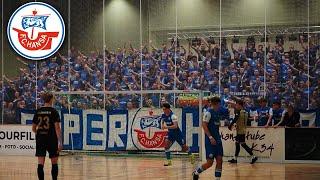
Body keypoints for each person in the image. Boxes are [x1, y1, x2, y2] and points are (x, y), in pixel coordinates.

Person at [32, 92, 62, 180]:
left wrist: (40, 133)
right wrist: (60, 142)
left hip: (41, 139)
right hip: (52, 139)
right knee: (54, 163)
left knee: (40, 163)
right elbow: (57, 128)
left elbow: (33, 128)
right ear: (51, 99)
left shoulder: (38, 111)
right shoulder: (54, 111)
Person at [192, 97, 224, 180]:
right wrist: (210, 137)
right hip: (210, 141)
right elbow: (204, 125)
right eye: (219, 104)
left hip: (218, 140)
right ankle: (196, 172)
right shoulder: (208, 113)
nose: (220, 106)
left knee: (220, 160)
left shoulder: (217, 113)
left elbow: (216, 125)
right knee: (210, 163)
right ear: (216, 104)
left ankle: (217, 179)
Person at [227, 99, 258, 164]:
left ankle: (253, 156)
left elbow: (235, 119)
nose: (236, 106)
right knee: (237, 143)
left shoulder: (238, 111)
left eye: (237, 104)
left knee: (243, 144)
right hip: (242, 129)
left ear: (239, 105)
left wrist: (230, 125)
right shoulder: (246, 112)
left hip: (240, 131)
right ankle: (235, 159)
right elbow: (248, 120)